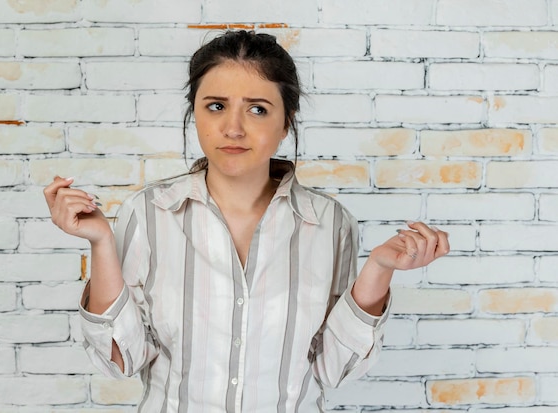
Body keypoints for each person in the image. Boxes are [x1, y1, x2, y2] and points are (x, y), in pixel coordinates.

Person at [44, 30, 449, 412]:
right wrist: (99, 240)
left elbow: (333, 369)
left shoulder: (330, 224)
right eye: (216, 106)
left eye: (257, 109)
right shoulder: (147, 214)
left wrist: (378, 270)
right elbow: (120, 360)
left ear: (286, 121)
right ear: (196, 113)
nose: (233, 128)